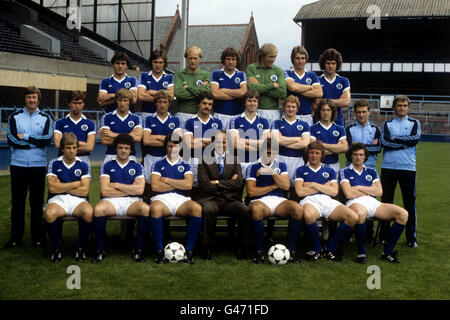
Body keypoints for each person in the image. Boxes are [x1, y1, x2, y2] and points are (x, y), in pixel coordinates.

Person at [340, 143, 408, 263]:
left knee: (403, 214)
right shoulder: (344, 171)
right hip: (354, 202)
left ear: (365, 156)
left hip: (373, 202)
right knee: (360, 214)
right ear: (350, 156)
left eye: (361, 155)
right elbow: (349, 194)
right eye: (355, 154)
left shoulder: (371, 171)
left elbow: (379, 192)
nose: (358, 157)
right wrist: (369, 190)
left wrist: (358, 187)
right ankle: (361, 253)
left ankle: (387, 252)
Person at [5, 86, 53, 248]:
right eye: (28, 97)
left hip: (38, 166)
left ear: (38, 99)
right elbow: (11, 139)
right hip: (17, 166)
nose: (31, 100)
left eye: (34, 97)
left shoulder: (46, 117)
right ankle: (15, 238)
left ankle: (37, 237)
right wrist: (33, 143)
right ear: (24, 99)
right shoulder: (15, 116)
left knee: (36, 203)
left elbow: (46, 140)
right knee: (17, 203)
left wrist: (24, 137)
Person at [295, 140, 358, 262]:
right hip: (309, 200)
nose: (313, 155)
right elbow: (300, 192)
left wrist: (312, 184)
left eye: (317, 153)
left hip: (328, 200)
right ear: (308, 154)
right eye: (311, 152)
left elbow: (334, 192)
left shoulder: (329, 170)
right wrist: (324, 186)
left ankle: (330, 247)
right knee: (308, 215)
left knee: (353, 217)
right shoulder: (301, 170)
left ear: (322, 155)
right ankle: (317, 248)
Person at [92, 134, 150, 263]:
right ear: (115, 149)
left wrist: (117, 185)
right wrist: (130, 189)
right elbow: (104, 190)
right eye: (120, 148)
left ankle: (138, 250)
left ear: (131, 150)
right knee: (98, 209)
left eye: (126, 148)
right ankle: (100, 250)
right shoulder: (107, 165)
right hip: (111, 202)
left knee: (145, 209)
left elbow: (140, 190)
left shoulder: (137, 166)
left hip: (132, 202)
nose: (123, 150)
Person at [247, 138, 304, 264]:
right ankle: (259, 251)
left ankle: (292, 251)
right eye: (267, 153)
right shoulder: (253, 167)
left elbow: (285, 186)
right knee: (256, 210)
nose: (270, 156)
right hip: (260, 201)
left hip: (278, 201)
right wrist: (273, 186)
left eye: (272, 152)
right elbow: (251, 192)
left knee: (298, 209)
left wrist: (271, 172)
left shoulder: (280, 165)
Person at [196, 130, 250, 260]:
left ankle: (241, 246)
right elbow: (204, 184)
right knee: (208, 210)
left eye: (224, 142)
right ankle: (207, 246)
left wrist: (217, 182)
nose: (221, 144)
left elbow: (238, 183)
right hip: (211, 199)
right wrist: (228, 183)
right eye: (218, 142)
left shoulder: (235, 160)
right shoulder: (204, 160)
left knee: (245, 210)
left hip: (230, 200)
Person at [149, 133, 202, 265]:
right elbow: (155, 186)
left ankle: (189, 252)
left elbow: (188, 185)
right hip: (162, 199)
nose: (172, 149)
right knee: (155, 209)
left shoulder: (185, 164)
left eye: (175, 146)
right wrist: (179, 183)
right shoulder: (157, 164)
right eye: (169, 146)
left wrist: (166, 180)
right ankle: (159, 252)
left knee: (197, 208)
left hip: (181, 199)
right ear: (166, 147)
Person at [380, 95, 421, 248]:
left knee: (409, 203)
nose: (402, 108)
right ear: (394, 107)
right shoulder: (387, 123)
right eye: (399, 105)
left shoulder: (414, 123)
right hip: (388, 167)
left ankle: (411, 238)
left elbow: (415, 139)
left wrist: (395, 139)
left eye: (404, 105)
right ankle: (384, 236)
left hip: (408, 167)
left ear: (408, 107)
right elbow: (385, 142)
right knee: (385, 204)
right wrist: (404, 142)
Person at [44, 133, 93, 262]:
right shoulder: (53, 163)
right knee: (49, 213)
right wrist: (76, 183)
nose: (72, 151)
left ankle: (80, 248)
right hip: (58, 199)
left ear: (77, 148)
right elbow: (53, 188)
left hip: (78, 200)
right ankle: (57, 248)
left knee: (88, 212)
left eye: (74, 148)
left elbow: (85, 191)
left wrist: (62, 185)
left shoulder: (83, 164)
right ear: (62, 149)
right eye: (68, 148)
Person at [142, 90, 183, 198]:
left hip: (169, 159)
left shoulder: (175, 120)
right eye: (159, 102)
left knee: (167, 186)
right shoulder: (148, 119)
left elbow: (178, 140)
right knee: (151, 187)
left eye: (165, 102)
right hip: (151, 158)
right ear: (155, 103)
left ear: (169, 104)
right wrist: (168, 139)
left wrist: (156, 137)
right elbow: (146, 140)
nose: (162, 105)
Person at [271, 95, 310, 194]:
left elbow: (305, 143)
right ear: (284, 108)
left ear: (297, 108)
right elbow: (276, 140)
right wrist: (297, 139)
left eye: (293, 107)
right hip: (280, 158)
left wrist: (283, 141)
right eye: (288, 106)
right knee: (280, 187)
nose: (290, 109)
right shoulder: (276, 123)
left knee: (296, 189)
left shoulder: (304, 124)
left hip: (298, 160)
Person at [183, 91, 223, 186]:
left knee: (210, 188)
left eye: (210, 104)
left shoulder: (218, 122)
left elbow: (219, 144)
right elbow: (189, 145)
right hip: (194, 160)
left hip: (212, 161)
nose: (207, 106)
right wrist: (211, 141)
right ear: (198, 104)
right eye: (204, 103)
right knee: (193, 189)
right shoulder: (190, 122)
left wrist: (198, 140)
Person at [229, 90, 270, 178]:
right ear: (244, 102)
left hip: (257, 162)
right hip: (240, 162)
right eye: (249, 101)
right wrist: (258, 145)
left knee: (254, 190)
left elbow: (265, 145)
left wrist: (243, 140)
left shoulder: (264, 121)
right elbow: (235, 144)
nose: (252, 103)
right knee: (237, 190)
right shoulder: (235, 120)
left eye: (255, 101)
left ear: (258, 103)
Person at [246, 43, 287, 126]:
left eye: (275, 56)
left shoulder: (278, 70)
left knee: (273, 138)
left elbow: (282, 93)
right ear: (262, 56)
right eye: (271, 57)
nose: (273, 59)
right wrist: (272, 86)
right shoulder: (251, 68)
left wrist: (259, 86)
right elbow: (251, 89)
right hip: (255, 111)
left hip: (274, 112)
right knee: (257, 138)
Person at [53, 91, 96, 170]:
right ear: (69, 104)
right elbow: (57, 144)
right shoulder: (59, 123)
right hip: (63, 160)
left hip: (83, 160)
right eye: (74, 103)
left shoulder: (90, 123)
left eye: (80, 103)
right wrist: (82, 144)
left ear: (83, 104)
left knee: (84, 182)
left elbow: (90, 147)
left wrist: (67, 145)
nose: (77, 106)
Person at [99, 88, 143, 163]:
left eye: (125, 100)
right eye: (120, 100)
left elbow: (138, 138)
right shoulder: (106, 117)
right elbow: (104, 140)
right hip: (111, 155)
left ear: (130, 102)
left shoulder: (136, 118)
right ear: (116, 101)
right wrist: (129, 137)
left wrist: (113, 135)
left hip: (131, 156)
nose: (122, 103)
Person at [210, 47, 248, 129]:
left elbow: (243, 93)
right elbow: (215, 94)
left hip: (238, 115)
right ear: (223, 60)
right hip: (219, 115)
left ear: (237, 60)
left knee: (236, 141)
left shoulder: (241, 74)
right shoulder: (216, 74)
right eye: (228, 59)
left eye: (233, 59)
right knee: (220, 140)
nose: (231, 62)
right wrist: (236, 95)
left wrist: (224, 90)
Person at [284, 46, 323, 126]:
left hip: (307, 116)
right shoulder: (287, 72)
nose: (300, 61)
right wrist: (309, 87)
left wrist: (297, 90)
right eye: (297, 58)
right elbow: (292, 87)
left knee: (306, 138)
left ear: (306, 59)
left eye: (303, 58)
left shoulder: (312, 75)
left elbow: (319, 93)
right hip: (290, 116)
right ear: (293, 59)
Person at [174, 46, 211, 126]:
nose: (193, 61)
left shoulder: (205, 75)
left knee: (197, 138)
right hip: (182, 114)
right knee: (182, 138)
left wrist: (188, 88)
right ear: (186, 58)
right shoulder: (179, 74)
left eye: (195, 58)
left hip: (198, 116)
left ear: (200, 59)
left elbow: (206, 93)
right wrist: (199, 93)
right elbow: (178, 93)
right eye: (190, 58)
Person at [309, 99, 348, 174]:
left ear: (332, 112)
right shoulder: (313, 128)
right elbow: (313, 148)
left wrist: (322, 145)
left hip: (334, 165)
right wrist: (336, 149)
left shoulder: (339, 129)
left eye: (328, 110)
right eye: (323, 110)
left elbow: (344, 147)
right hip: (318, 165)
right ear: (319, 112)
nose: (326, 113)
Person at [137, 49, 174, 121]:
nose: (158, 65)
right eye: (155, 62)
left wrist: (150, 92)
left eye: (160, 63)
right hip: (147, 114)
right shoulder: (144, 75)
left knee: (197, 132)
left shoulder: (170, 77)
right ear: (151, 62)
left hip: (165, 116)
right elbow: (140, 96)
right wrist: (163, 96)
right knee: (147, 132)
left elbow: (171, 96)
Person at [317, 48, 351, 127]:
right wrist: (338, 101)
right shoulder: (317, 80)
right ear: (323, 64)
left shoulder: (344, 81)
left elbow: (346, 102)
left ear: (337, 64)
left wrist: (324, 101)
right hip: (319, 122)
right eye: (328, 63)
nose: (330, 66)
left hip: (337, 121)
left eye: (333, 63)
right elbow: (316, 103)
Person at [345, 99, 381, 169]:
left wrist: (356, 145)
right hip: (351, 169)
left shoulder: (376, 129)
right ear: (355, 113)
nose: (361, 115)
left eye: (364, 112)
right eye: (359, 112)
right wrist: (370, 146)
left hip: (370, 168)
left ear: (369, 112)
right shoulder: (348, 129)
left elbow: (377, 148)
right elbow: (348, 149)